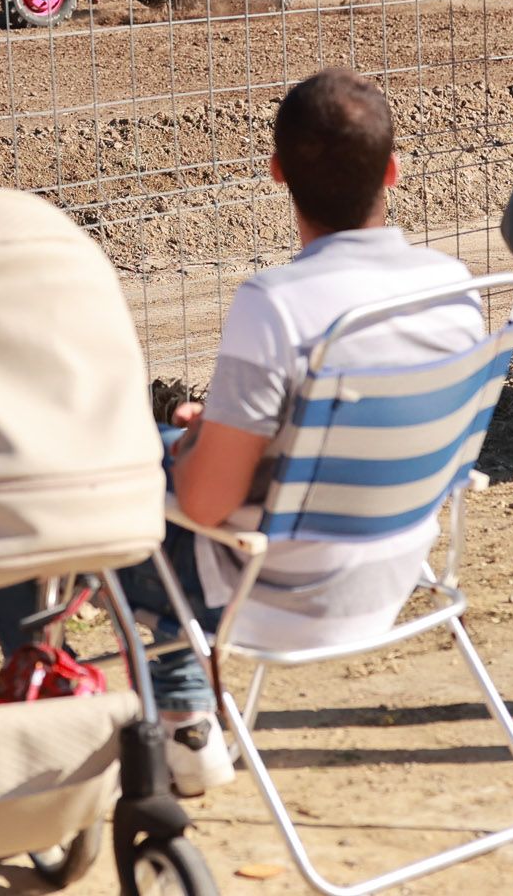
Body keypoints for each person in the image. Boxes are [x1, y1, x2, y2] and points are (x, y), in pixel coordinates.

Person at [141, 68, 484, 795]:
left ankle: (182, 710)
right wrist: (240, 433)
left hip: (283, 597)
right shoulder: (455, 286)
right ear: (394, 168)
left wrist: (204, 442)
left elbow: (203, 508)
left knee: (123, 483)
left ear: (277, 174)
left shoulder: (277, 306)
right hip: (404, 571)